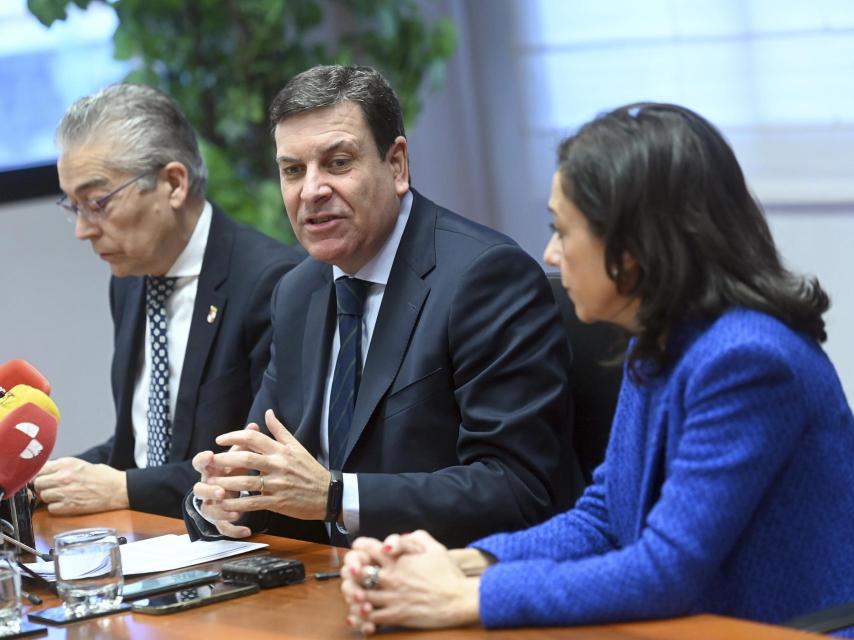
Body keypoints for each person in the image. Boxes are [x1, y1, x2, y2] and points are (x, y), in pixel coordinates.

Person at [340, 103, 854, 635]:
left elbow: (667, 570)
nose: (551, 253)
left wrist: (468, 597)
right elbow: (607, 516)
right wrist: (466, 563)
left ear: (630, 250)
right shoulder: (657, 341)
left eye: (561, 230)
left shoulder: (747, 362)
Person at [185, 64, 580, 548]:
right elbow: (268, 468)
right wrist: (223, 500)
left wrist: (336, 496)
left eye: (337, 163)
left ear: (396, 166)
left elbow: (517, 488)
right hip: (336, 584)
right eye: (293, 170)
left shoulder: (486, 277)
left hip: (456, 587)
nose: (311, 191)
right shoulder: (297, 291)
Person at [34, 84, 303, 518]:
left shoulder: (272, 284)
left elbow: (261, 468)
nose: (83, 230)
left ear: (174, 184)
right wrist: (46, 481)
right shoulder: (130, 280)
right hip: (148, 538)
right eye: (74, 207)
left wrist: (124, 488)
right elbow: (138, 446)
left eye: (97, 203)